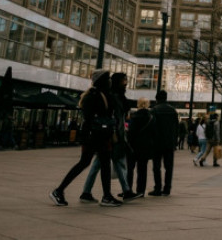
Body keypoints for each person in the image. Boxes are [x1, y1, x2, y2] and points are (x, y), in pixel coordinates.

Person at [51, 70, 120, 207]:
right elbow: (94, 116)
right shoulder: (95, 96)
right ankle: (59, 191)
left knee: (97, 163)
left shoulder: (101, 95)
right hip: (95, 135)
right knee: (89, 163)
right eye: (107, 79)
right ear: (101, 81)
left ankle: (106, 195)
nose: (110, 82)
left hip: (97, 135)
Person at [80, 72, 138, 202]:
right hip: (112, 135)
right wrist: (118, 135)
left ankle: (87, 191)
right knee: (107, 163)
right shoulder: (115, 98)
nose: (126, 83)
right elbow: (116, 119)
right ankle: (122, 191)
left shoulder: (117, 97)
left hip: (113, 134)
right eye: (124, 81)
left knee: (101, 164)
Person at [149, 90, 179, 196]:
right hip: (169, 143)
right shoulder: (173, 110)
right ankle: (167, 188)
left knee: (156, 167)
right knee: (169, 167)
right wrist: (175, 141)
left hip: (157, 143)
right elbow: (177, 127)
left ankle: (157, 188)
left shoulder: (154, 110)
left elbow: (151, 127)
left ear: (157, 98)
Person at [126, 98, 154, 196]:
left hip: (133, 146)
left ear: (138, 104)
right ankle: (141, 191)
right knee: (142, 170)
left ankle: (128, 189)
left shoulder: (134, 116)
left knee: (130, 168)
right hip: (145, 146)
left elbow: (131, 132)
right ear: (148, 105)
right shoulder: (151, 117)